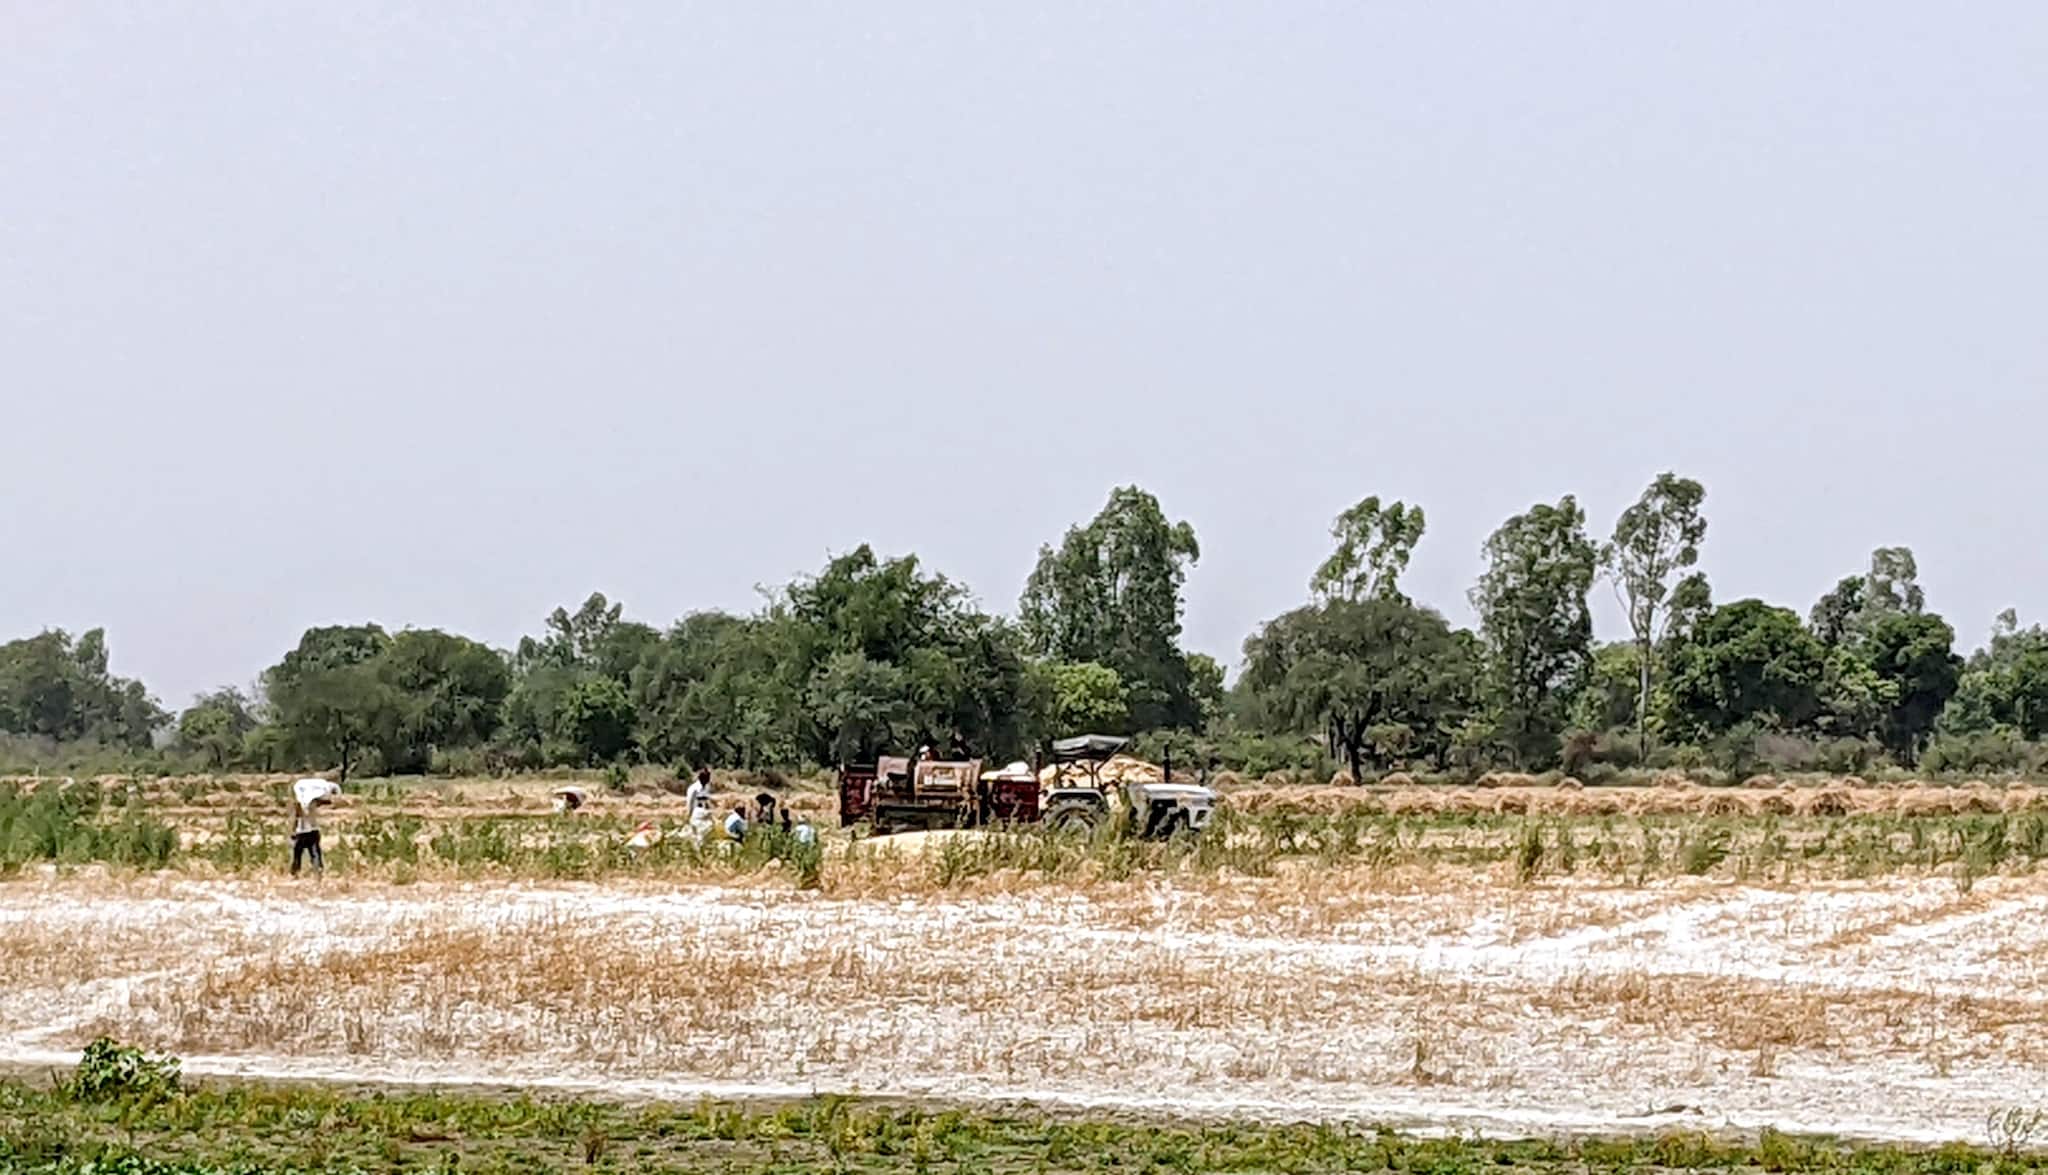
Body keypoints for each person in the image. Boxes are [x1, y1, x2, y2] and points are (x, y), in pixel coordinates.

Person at [290, 798, 323, 877]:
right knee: (315, 853)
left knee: (297, 853)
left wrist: (293, 829)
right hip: (313, 830)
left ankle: (295, 872)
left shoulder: (301, 801)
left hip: (302, 831)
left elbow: (297, 816)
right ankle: (318, 872)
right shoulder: (314, 800)